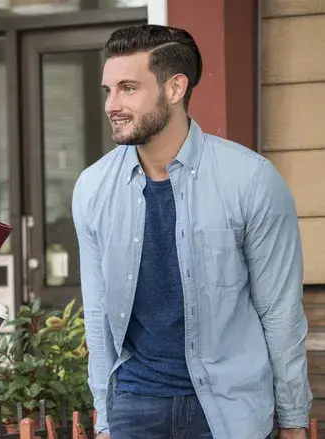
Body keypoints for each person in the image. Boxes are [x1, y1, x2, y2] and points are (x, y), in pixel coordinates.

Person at [72, 24, 311, 439]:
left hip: (230, 409)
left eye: (128, 88)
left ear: (174, 88)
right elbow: (97, 313)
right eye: (108, 90)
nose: (112, 104)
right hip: (136, 405)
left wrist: (292, 417)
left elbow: (280, 312)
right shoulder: (92, 189)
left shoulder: (250, 180)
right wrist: (106, 419)